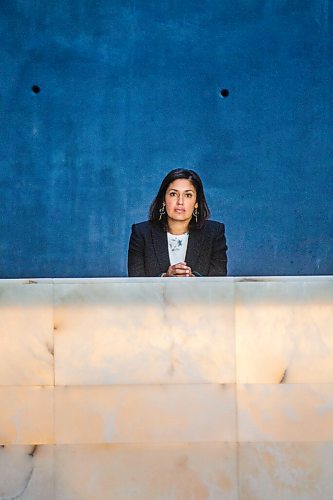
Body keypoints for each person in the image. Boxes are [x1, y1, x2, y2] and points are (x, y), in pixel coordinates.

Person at [128, 168, 227, 277]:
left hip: (199, 294)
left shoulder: (214, 233)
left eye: (188, 195)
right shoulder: (141, 233)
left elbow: (219, 283)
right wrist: (165, 278)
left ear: (196, 203)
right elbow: (136, 284)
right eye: (173, 194)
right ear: (164, 200)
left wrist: (193, 279)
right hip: (155, 295)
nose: (180, 202)